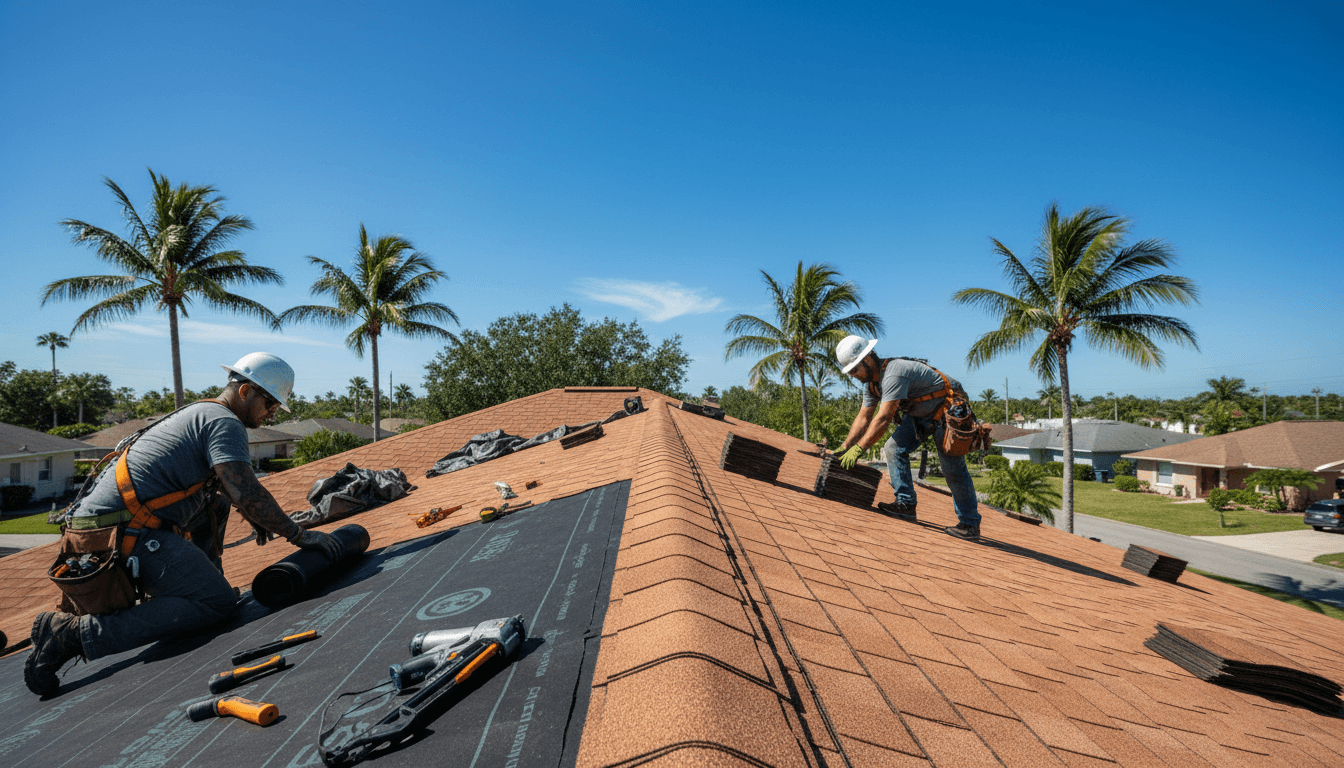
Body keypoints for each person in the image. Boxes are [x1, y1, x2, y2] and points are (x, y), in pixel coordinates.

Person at [25, 352, 343, 697]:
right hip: (119, 534)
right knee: (216, 604)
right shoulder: (224, 422)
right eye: (270, 403)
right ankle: (71, 634)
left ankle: (206, 582)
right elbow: (246, 489)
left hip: (117, 526)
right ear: (245, 391)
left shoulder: (201, 412)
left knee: (218, 503)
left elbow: (228, 490)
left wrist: (253, 513)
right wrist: (298, 535)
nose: (271, 413)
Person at [832, 336, 982, 541]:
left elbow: (883, 418)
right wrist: (845, 446)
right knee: (893, 448)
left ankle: (970, 524)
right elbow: (864, 416)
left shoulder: (894, 373)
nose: (853, 376)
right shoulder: (872, 385)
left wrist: (859, 449)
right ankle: (905, 505)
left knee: (952, 467)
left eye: (854, 370)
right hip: (920, 413)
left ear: (867, 360)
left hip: (948, 409)